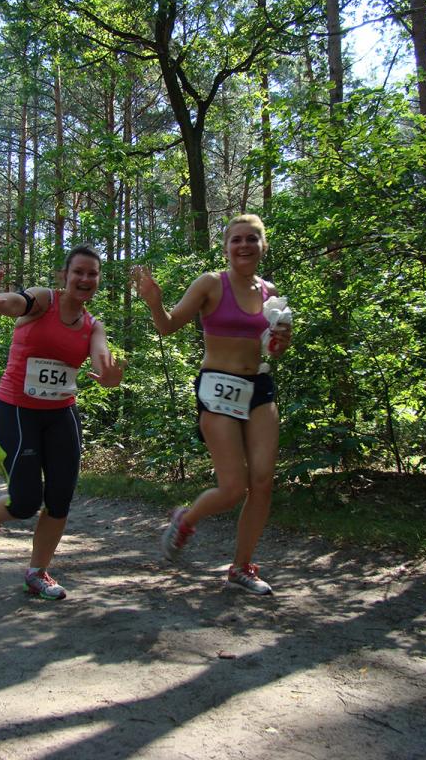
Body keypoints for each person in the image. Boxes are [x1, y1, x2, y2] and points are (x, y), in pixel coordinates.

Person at [133, 214, 291, 595]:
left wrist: (280, 343)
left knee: (263, 482)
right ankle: (186, 518)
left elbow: (274, 348)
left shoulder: (271, 293)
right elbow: (168, 326)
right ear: (226, 247)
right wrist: (155, 302)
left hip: (260, 386)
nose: (244, 245)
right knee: (233, 487)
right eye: (236, 239)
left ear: (262, 246)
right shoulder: (210, 283)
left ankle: (241, 567)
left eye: (252, 239)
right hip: (218, 387)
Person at [0, 245, 125, 601]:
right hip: (17, 411)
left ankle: (37, 573)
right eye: (79, 272)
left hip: (61, 415)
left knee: (59, 498)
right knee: (25, 502)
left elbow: (103, 359)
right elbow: (14, 303)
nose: (85, 279)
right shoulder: (44, 300)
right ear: (64, 276)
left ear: (98, 281)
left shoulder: (92, 325)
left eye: (93, 274)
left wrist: (108, 375)